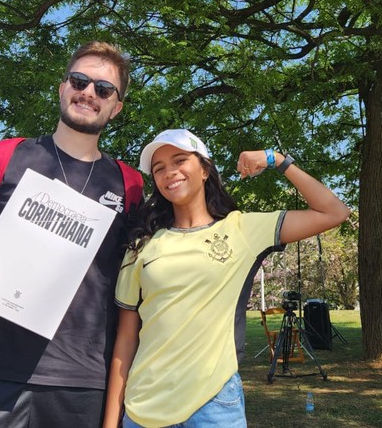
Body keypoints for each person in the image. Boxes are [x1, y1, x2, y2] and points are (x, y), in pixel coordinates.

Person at [0, 41, 138, 427]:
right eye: (79, 81)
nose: (88, 93)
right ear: (62, 87)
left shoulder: (129, 184)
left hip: (82, 379)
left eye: (103, 89)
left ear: (116, 107)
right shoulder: (8, 156)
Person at [103, 129, 351, 427]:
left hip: (214, 407)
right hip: (144, 408)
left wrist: (277, 160)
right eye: (159, 168)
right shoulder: (140, 246)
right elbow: (126, 339)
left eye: (180, 160)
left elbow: (334, 212)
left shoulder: (243, 230)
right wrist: (111, 422)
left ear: (205, 169)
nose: (169, 172)